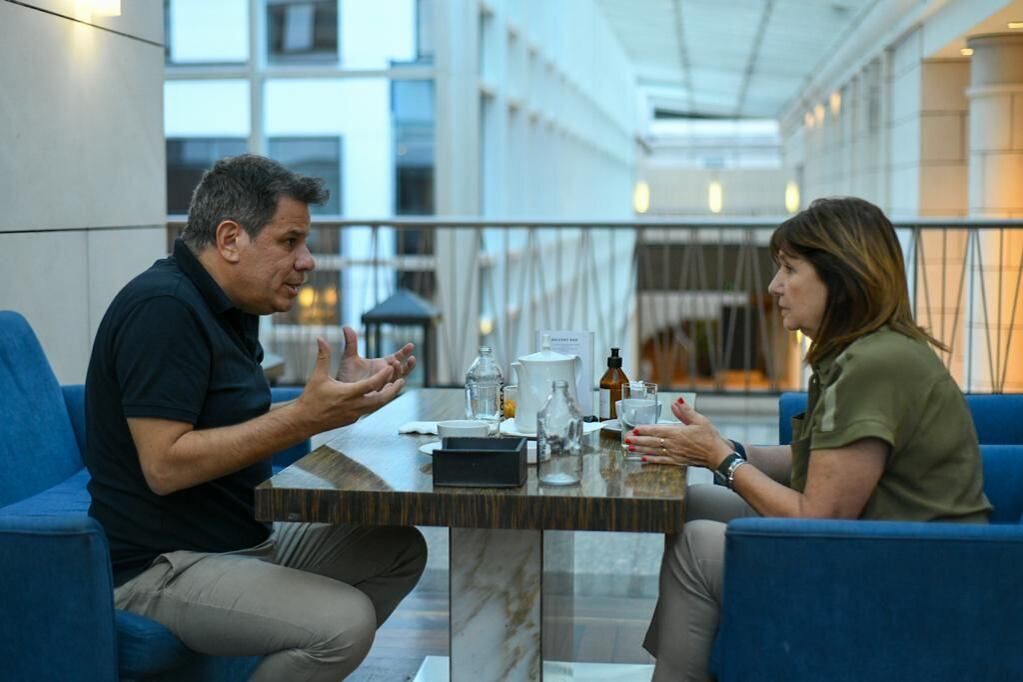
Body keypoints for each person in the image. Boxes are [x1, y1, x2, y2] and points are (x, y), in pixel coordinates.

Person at [84, 154, 427, 681]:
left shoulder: (228, 309)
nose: (308, 261)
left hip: (240, 542)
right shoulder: (164, 310)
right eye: (290, 242)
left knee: (396, 546)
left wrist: (336, 396)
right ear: (229, 239)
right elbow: (165, 465)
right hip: (163, 566)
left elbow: (227, 423)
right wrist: (304, 419)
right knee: (343, 624)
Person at [628, 197, 991, 681]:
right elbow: (824, 458)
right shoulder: (866, 352)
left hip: (915, 573)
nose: (774, 287)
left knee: (698, 546)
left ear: (840, 279)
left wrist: (722, 462)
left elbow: (816, 519)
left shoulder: (874, 366)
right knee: (695, 503)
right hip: (887, 541)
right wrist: (724, 447)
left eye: (789, 269)